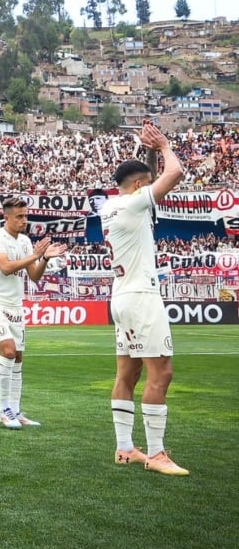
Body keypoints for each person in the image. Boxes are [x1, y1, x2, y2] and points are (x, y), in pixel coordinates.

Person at [102, 122, 188, 476]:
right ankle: (156, 453)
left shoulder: (112, 206)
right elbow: (176, 172)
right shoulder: (136, 204)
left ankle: (125, 449)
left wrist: (148, 150)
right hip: (141, 296)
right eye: (147, 184)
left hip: (121, 297)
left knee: (127, 373)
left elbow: (149, 181)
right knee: (161, 373)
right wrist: (165, 146)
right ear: (139, 186)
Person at [0, 196, 67, 429]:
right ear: (6, 217)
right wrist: (36, 255)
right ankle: (4, 411)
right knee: (8, 351)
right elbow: (6, 268)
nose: (24, 220)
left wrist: (45, 259)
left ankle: (16, 411)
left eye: (26, 215)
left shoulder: (27, 242)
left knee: (18, 357)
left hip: (15, 304)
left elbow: (35, 276)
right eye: (19, 216)